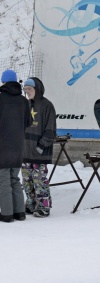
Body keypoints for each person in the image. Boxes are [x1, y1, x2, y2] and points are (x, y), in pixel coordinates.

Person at [21, 77, 57, 218]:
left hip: (40, 151)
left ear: (37, 89)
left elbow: (50, 129)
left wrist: (42, 146)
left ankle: (43, 206)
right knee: (27, 180)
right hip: (24, 150)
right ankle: (31, 204)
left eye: (29, 89)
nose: (27, 92)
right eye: (25, 90)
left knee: (39, 179)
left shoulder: (47, 105)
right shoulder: (25, 105)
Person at [0, 70, 32, 223]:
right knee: (14, 179)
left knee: (3, 180)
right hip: (18, 146)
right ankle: (19, 212)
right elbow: (29, 123)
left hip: (2, 146)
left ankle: (6, 214)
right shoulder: (24, 101)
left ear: (3, 82)